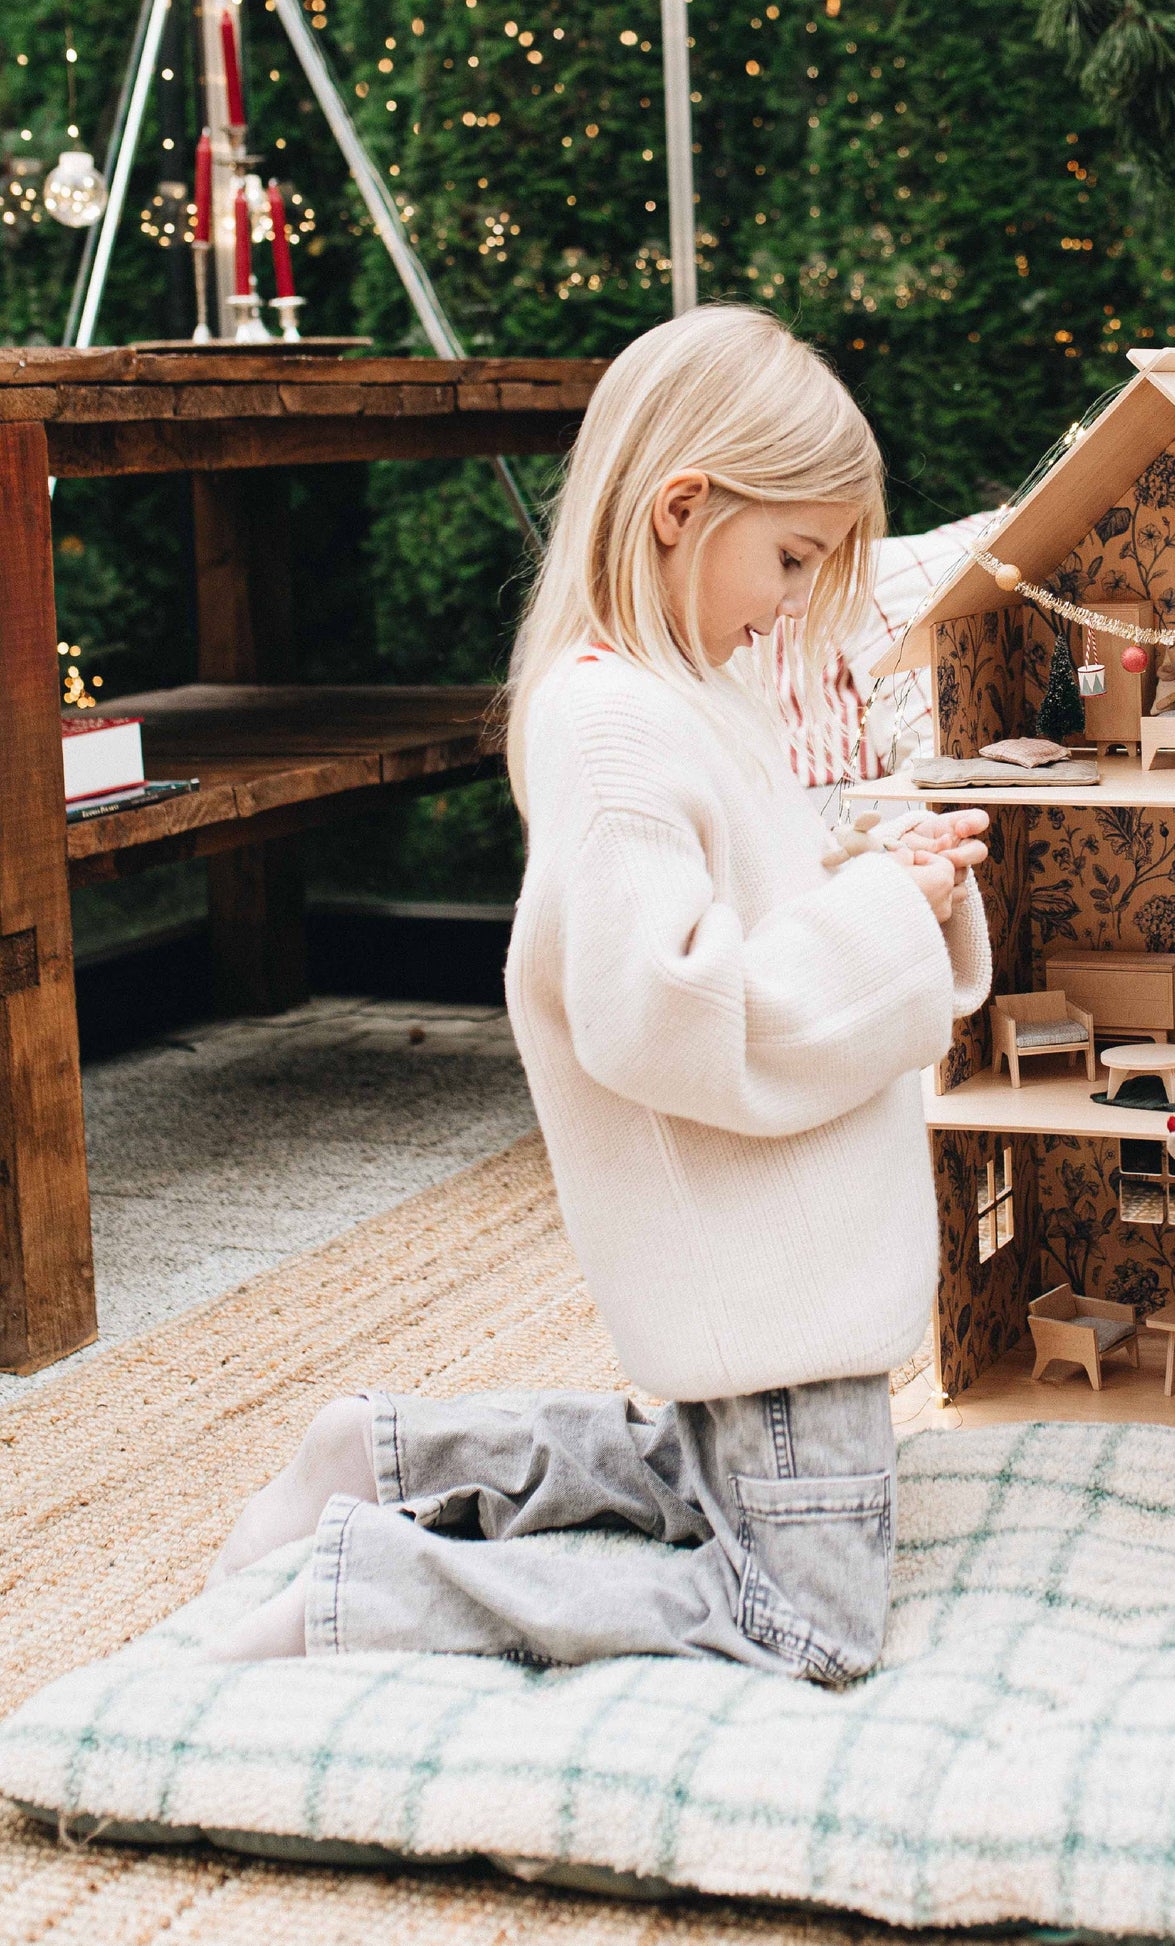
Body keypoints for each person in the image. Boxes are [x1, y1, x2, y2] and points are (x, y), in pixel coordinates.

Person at [206, 305, 992, 1681]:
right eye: (790, 557)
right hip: (775, 1270)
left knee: (697, 1473)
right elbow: (664, 1009)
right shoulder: (616, 723)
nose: (792, 602)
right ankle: (367, 1588)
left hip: (783, 1252)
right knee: (809, 1619)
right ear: (682, 508)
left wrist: (884, 875)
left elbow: (751, 914)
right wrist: (884, 914)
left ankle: (385, 1456)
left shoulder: (690, 689)